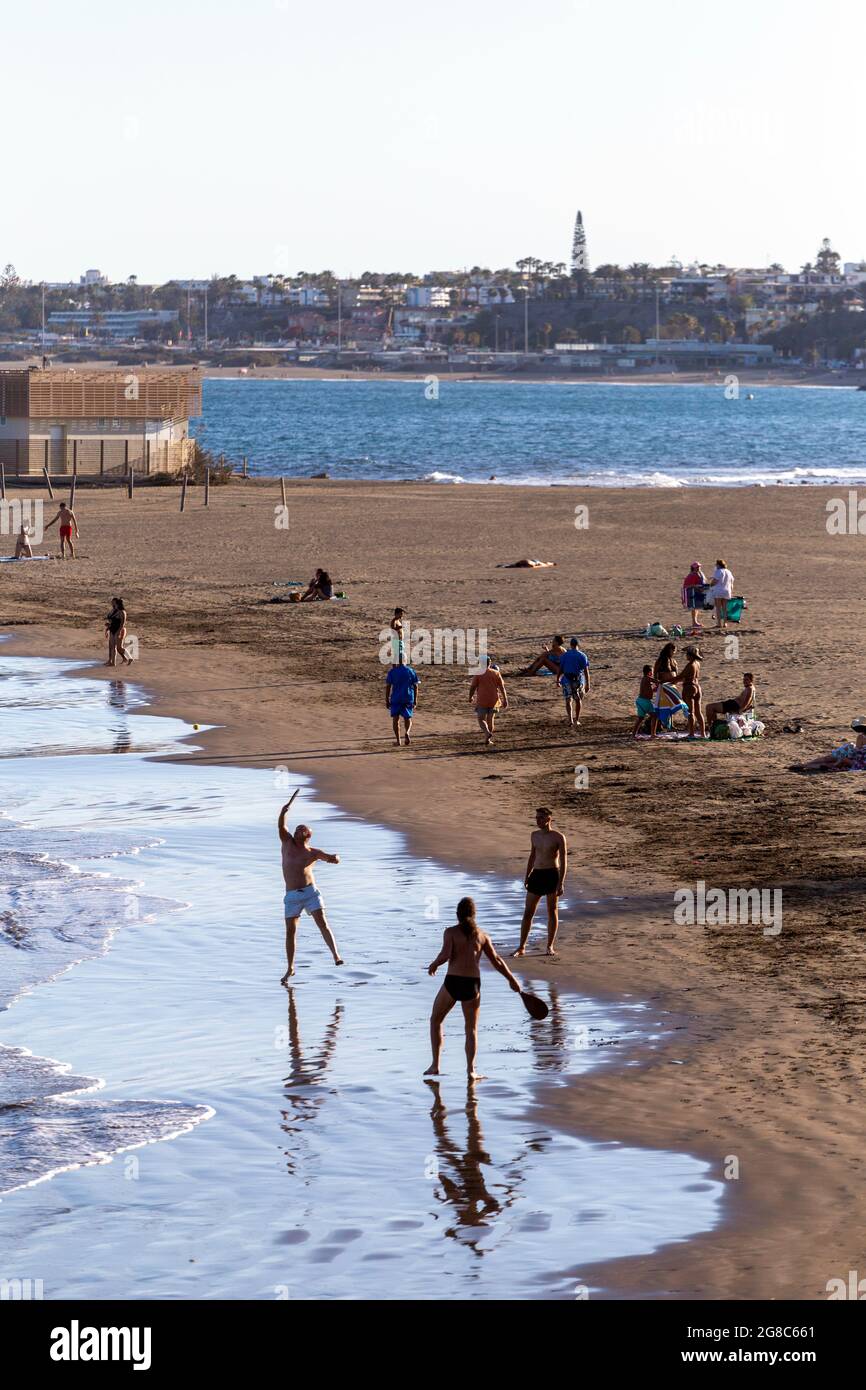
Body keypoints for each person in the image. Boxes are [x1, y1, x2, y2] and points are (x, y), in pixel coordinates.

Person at [425, 896, 521, 1079]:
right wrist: (511, 979)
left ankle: (435, 1065)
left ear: (457, 915)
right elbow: (497, 961)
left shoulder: (450, 932)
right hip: (472, 985)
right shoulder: (482, 936)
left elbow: (445, 955)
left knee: (435, 1020)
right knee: (471, 1029)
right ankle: (471, 1071)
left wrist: (434, 964)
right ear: (474, 914)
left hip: (453, 982)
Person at [278, 802, 343, 980]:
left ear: (307, 835)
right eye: (296, 828)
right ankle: (290, 967)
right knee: (290, 931)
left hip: (310, 893)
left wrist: (335, 858)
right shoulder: (287, 843)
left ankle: (336, 955)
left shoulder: (312, 852)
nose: (296, 830)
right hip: (291, 896)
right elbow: (282, 826)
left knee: (322, 923)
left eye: (300, 829)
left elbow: (330, 857)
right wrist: (283, 812)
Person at [512, 808, 567, 958]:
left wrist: (561, 882)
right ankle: (521, 946)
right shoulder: (534, 835)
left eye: (541, 818)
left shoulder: (558, 837)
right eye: (536, 818)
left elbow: (563, 861)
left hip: (551, 874)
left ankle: (550, 946)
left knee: (552, 911)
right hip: (537, 874)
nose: (538, 821)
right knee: (528, 912)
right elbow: (532, 856)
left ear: (549, 819)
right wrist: (527, 875)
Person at [469, 657, 508, 745]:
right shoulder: (496, 673)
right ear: (489, 663)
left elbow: (473, 687)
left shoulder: (478, 674)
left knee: (481, 719)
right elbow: (502, 688)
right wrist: (505, 699)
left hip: (482, 700)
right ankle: (488, 740)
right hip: (494, 700)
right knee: (491, 720)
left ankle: (487, 733)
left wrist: (470, 697)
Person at [386, 655, 419, 745]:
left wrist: (387, 699)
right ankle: (407, 732)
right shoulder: (411, 671)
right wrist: (415, 700)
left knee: (395, 719)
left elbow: (388, 686)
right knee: (408, 718)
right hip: (407, 697)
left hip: (396, 698)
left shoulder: (392, 672)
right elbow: (416, 686)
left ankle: (398, 740)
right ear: (405, 660)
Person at [557, 637, 590, 728]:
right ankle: (577, 719)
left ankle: (570, 720)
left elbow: (560, 669)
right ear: (578, 645)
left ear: (571, 645)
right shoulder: (582, 655)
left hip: (566, 679)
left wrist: (558, 679)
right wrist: (588, 684)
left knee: (568, 700)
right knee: (578, 699)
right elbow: (586, 671)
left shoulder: (565, 655)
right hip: (577, 680)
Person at [678, 643, 706, 739]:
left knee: (691, 712)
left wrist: (665, 681)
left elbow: (680, 676)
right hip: (697, 687)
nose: (686, 655)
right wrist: (691, 648)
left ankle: (691, 733)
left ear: (690, 655)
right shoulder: (697, 663)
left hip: (689, 687)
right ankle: (703, 733)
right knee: (698, 712)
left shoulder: (690, 665)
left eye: (687, 654)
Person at [105, 597, 133, 667]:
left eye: (114, 603)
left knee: (119, 647)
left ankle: (130, 658)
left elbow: (122, 623)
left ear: (117, 604)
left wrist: (119, 631)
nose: (112, 603)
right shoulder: (114, 611)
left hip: (119, 630)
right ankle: (112, 662)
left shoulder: (122, 612)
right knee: (112, 646)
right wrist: (108, 627)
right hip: (112, 629)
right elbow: (112, 620)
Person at [681, 561, 707, 635]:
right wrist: (696, 587)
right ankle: (694, 622)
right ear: (693, 568)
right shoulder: (692, 575)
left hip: (697, 593)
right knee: (693, 607)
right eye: (697, 567)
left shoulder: (699, 574)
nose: (699, 568)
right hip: (691, 593)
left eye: (699, 566)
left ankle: (695, 622)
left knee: (696, 607)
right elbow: (687, 586)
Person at [710, 558, 734, 633]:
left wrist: (710, 585)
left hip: (719, 591)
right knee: (725, 608)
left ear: (718, 565)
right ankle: (725, 623)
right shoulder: (728, 571)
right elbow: (732, 582)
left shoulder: (718, 571)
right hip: (727, 591)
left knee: (718, 608)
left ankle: (719, 623)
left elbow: (714, 581)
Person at [632, 664, 657, 737]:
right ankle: (653, 734)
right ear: (649, 672)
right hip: (645, 701)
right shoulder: (647, 678)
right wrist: (662, 682)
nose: (652, 673)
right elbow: (655, 681)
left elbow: (647, 690)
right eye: (652, 672)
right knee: (654, 716)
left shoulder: (644, 679)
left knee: (640, 718)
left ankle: (634, 734)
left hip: (640, 701)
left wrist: (653, 690)